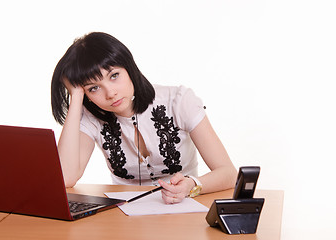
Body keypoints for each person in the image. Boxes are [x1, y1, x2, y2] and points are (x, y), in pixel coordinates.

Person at [51, 32, 237, 204]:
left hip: (181, 209)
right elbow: (66, 177)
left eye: (114, 76)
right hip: (123, 217)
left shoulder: (178, 101)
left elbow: (229, 173)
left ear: (129, 68)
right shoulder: (92, 119)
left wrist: (191, 184)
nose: (110, 93)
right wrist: (75, 97)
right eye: (93, 88)